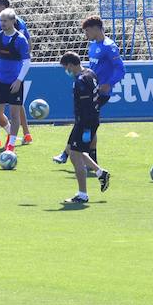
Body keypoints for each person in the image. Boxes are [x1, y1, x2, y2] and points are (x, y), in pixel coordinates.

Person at [54, 16, 126, 165]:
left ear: (95, 28)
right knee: (87, 124)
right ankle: (90, 160)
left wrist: (109, 83)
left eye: (87, 30)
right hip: (89, 89)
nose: (85, 34)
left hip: (100, 93)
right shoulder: (93, 46)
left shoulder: (109, 46)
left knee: (83, 122)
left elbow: (120, 69)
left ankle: (67, 154)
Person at [0, 0, 33, 146]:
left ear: (12, 22)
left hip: (14, 80)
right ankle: (12, 133)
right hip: (1, 79)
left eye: (4, 21)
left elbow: (27, 60)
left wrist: (19, 80)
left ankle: (11, 144)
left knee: (15, 113)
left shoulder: (20, 39)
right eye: (0, 21)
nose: (1, 23)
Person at [59, 51, 111, 205]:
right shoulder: (90, 73)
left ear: (70, 65)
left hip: (85, 122)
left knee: (75, 155)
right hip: (90, 120)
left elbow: (86, 104)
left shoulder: (80, 81)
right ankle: (101, 172)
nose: (65, 71)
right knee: (79, 151)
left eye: (65, 67)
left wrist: (84, 124)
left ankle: (83, 194)